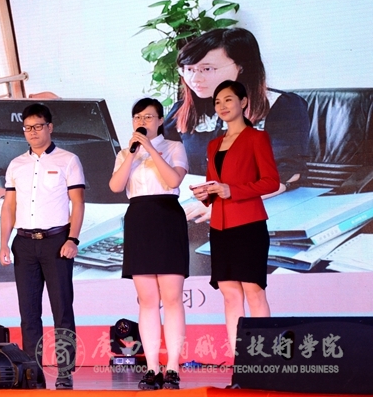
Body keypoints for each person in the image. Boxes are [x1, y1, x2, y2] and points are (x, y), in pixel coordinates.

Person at [163, 28, 309, 223]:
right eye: (188, 69)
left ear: (241, 66)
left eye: (207, 69)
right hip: (195, 205)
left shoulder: (281, 106)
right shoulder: (184, 110)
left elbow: (288, 173)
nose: (195, 79)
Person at [0, 103, 85, 389]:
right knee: (29, 314)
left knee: (62, 311)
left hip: (57, 242)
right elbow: (9, 206)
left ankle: (65, 372)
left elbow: (77, 203)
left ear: (50, 127)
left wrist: (72, 238)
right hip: (24, 243)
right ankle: (32, 374)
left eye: (38, 126)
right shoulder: (16, 164)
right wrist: (3, 243)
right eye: (27, 128)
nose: (32, 132)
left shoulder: (68, 160)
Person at [191, 80, 280, 353]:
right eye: (217, 102)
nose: (222, 106)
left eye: (228, 100)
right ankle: (239, 361)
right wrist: (205, 194)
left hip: (249, 226)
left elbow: (271, 182)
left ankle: (262, 359)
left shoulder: (257, 138)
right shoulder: (214, 144)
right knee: (230, 296)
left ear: (243, 102)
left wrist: (233, 190)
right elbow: (214, 185)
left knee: (254, 292)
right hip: (220, 227)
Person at [109, 98, 189, 390]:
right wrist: (133, 153)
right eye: (138, 117)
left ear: (160, 120)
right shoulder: (125, 153)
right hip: (139, 220)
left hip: (167, 218)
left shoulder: (174, 147)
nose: (142, 121)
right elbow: (116, 186)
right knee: (147, 300)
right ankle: (153, 368)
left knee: (172, 298)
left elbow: (172, 180)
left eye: (149, 117)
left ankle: (173, 367)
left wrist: (151, 149)